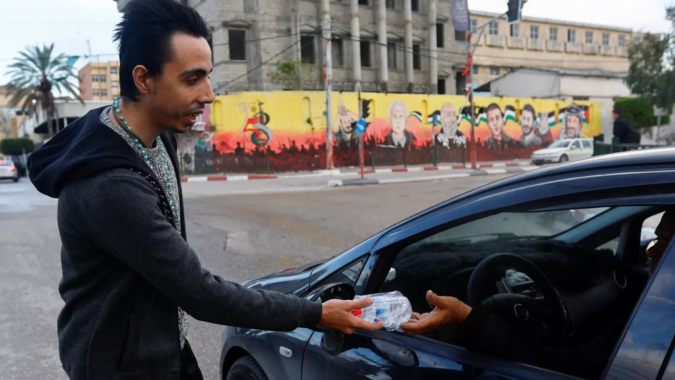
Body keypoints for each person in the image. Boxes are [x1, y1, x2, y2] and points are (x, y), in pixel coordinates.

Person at [27, 1, 381, 379]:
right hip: (120, 364)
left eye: (208, 76)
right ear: (144, 79)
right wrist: (315, 314)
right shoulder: (109, 186)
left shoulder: (156, 134)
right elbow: (197, 291)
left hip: (162, 344)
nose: (209, 94)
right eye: (192, 79)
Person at [401, 208, 675, 379]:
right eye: (656, 240)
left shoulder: (655, 331)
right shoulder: (659, 310)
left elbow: (556, 367)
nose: (650, 251)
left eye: (665, 242)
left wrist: (465, 316)